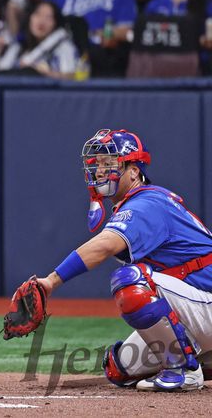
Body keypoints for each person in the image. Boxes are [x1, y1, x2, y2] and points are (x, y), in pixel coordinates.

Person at [30, 128, 212, 391]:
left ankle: (183, 370)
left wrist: (51, 281)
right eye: (98, 164)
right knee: (118, 369)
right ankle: (202, 359)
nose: (100, 171)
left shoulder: (147, 202)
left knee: (131, 282)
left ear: (134, 171)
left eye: (109, 163)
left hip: (205, 299)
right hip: (197, 305)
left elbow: (105, 245)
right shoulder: (136, 203)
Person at [45, 0, 137, 77]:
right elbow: (42, 22)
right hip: (62, 54)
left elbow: (130, 33)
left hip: (104, 58)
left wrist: (111, 34)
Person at [0, 0, 79, 78]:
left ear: (56, 23)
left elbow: (71, 78)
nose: (42, 21)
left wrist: (44, 74)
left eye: (48, 17)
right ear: (30, 18)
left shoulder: (64, 47)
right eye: (38, 14)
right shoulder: (18, 47)